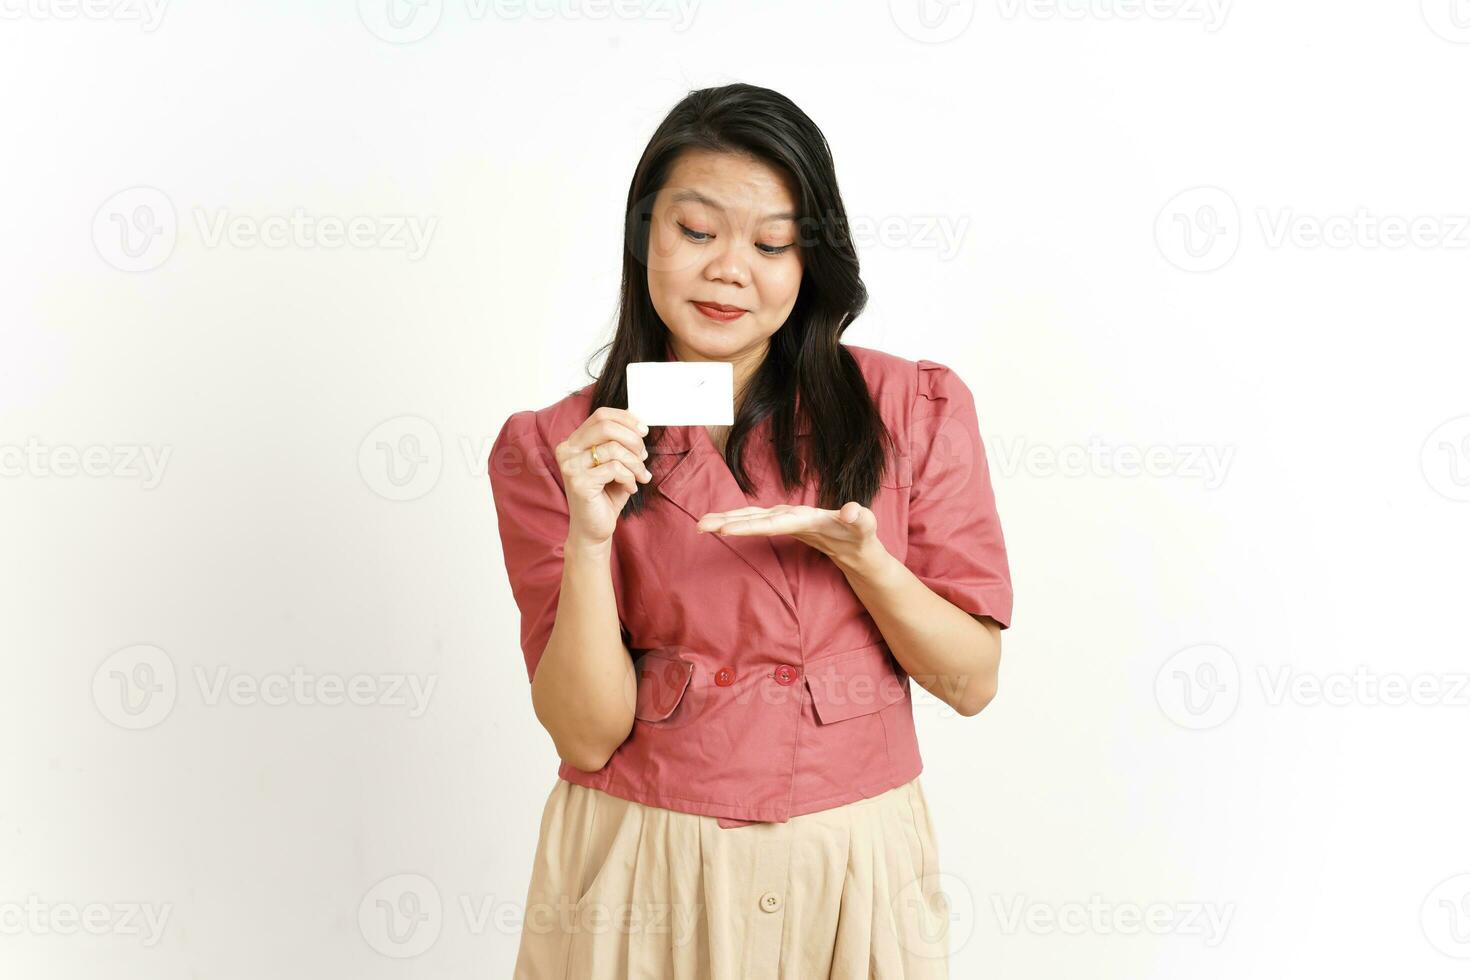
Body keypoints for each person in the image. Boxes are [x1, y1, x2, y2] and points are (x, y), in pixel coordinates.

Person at [488, 82, 1013, 980]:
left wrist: (866, 562)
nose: (731, 268)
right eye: (696, 233)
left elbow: (972, 684)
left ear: (811, 261)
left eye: (772, 243)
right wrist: (588, 537)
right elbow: (583, 735)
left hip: (854, 866)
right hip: (642, 866)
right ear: (642, 235)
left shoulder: (913, 408)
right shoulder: (556, 446)